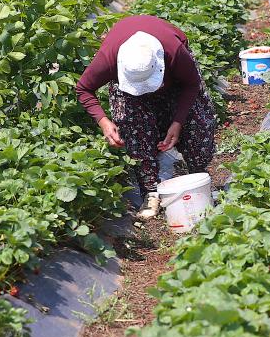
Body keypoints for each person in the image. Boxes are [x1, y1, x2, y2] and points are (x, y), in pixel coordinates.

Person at [74, 14, 218, 219]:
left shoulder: (173, 51)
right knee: (132, 124)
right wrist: (103, 121)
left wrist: (178, 122)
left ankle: (198, 178)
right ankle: (150, 191)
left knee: (197, 124)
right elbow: (83, 89)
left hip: (176, 81)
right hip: (128, 91)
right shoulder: (109, 58)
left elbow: (191, 84)